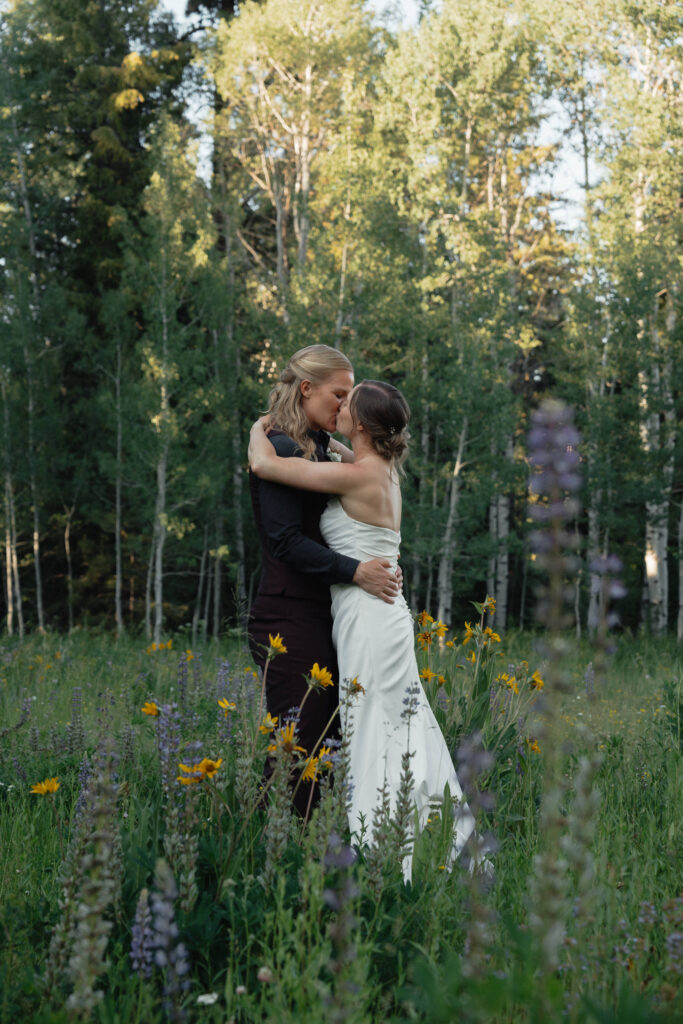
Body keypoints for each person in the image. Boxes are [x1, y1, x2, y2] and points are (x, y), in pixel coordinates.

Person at [249, 379, 476, 880]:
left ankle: (384, 857)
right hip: (377, 613)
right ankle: (429, 841)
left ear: (365, 427)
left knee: (372, 727)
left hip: (369, 618)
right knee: (402, 725)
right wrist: (314, 432)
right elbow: (335, 448)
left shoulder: (359, 476)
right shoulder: (381, 469)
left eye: (347, 404)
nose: (339, 407)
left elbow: (267, 466)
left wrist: (259, 426)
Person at [248, 346, 401, 817]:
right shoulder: (283, 446)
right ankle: (274, 850)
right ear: (306, 388)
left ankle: (322, 848)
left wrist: (375, 559)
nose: (344, 404)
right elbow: (285, 542)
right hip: (289, 615)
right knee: (299, 747)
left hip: (331, 615)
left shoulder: (316, 448)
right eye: (339, 393)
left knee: (329, 746)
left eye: (349, 396)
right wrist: (356, 570)